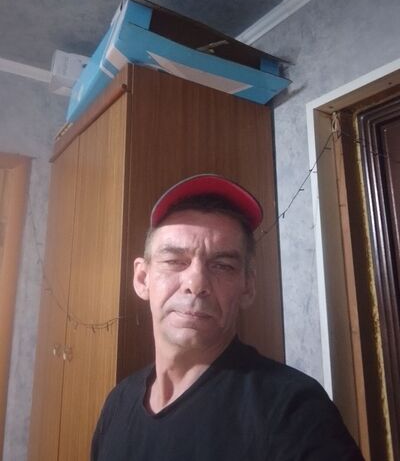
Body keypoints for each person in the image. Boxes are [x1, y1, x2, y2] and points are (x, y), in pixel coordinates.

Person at [91, 174, 364, 460]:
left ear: (248, 287)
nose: (196, 283)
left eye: (222, 266)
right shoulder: (117, 405)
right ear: (142, 279)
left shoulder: (295, 411)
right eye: (174, 261)